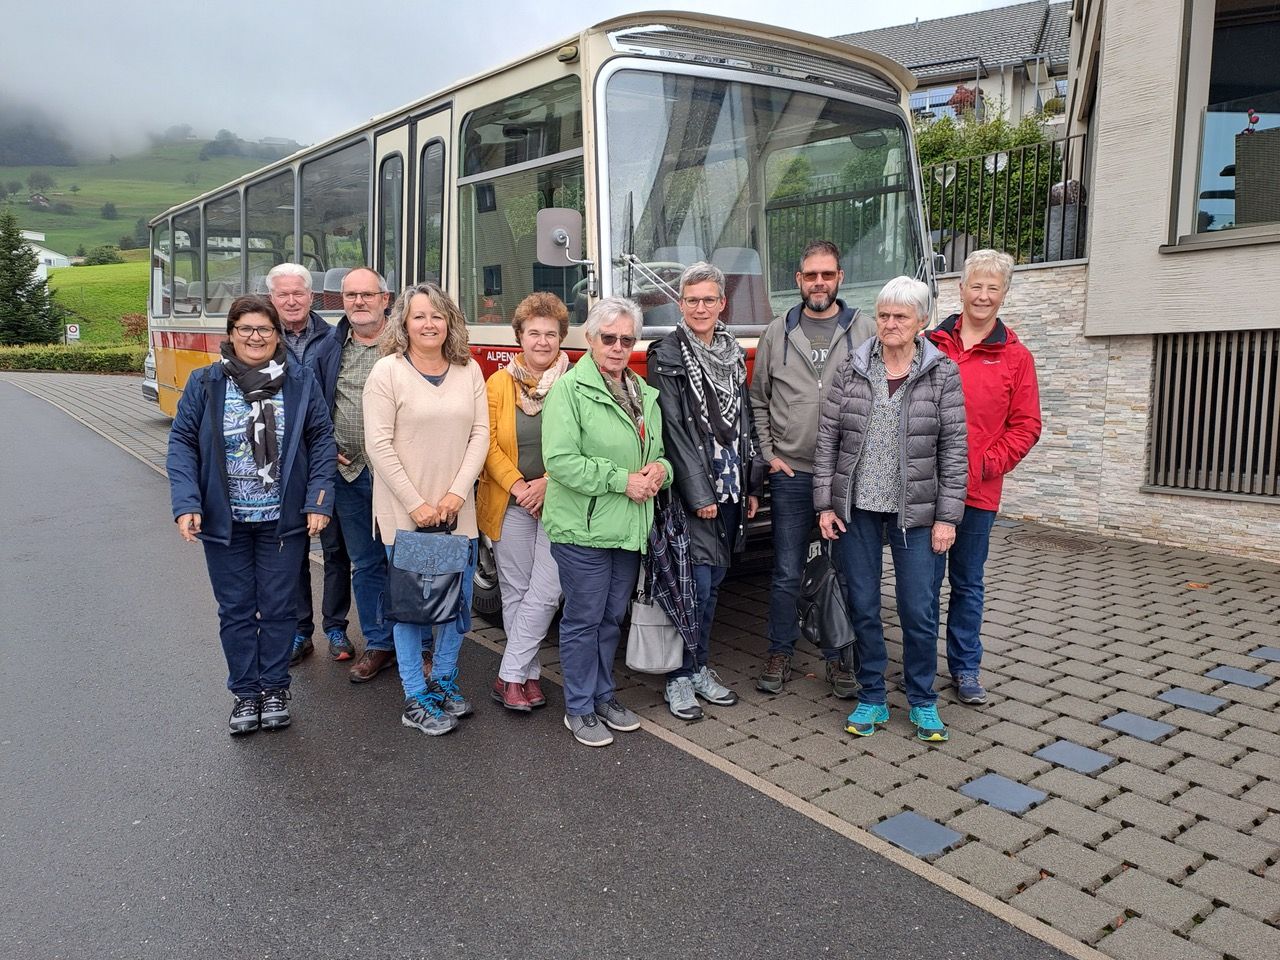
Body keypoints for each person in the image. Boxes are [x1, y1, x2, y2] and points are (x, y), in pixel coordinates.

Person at [167, 295, 336, 735]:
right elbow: (182, 443)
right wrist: (187, 502)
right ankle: (245, 693)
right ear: (231, 334)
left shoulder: (299, 381)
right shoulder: (206, 382)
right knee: (236, 610)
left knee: (279, 608)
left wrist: (318, 500)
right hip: (225, 522)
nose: (255, 337)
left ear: (277, 336)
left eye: (264, 329)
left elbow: (321, 440)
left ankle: (275, 688)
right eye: (245, 329)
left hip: (282, 520)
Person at [814, 276, 967, 743]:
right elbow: (828, 439)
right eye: (883, 315)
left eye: (901, 316)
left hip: (916, 513)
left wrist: (947, 518)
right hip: (857, 509)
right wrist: (825, 503)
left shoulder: (942, 373)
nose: (890, 324)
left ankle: (922, 700)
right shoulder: (853, 367)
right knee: (863, 604)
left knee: (918, 609)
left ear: (922, 321)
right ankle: (872, 695)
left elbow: (954, 450)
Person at [541, 297, 671, 747]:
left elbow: (658, 453)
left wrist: (661, 471)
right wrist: (622, 481)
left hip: (628, 528)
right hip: (584, 530)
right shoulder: (569, 391)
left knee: (612, 618)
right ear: (590, 339)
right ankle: (579, 707)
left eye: (627, 340)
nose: (618, 347)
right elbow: (560, 462)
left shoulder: (642, 392)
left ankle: (603, 695)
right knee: (584, 620)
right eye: (609, 338)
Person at [749, 239, 874, 697]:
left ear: (840, 277)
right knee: (786, 570)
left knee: (840, 570)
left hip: (845, 476)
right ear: (799, 280)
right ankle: (779, 651)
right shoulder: (776, 332)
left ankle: (838, 657)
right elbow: (759, 399)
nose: (819, 283)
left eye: (827, 274)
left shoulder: (865, 330)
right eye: (811, 275)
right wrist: (769, 453)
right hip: (793, 473)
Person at [363, 282, 488, 737]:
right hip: (405, 516)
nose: (429, 324)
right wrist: (416, 503)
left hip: (458, 515)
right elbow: (377, 444)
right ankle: (415, 696)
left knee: (456, 605)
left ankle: (444, 682)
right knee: (411, 609)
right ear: (404, 322)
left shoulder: (468, 370)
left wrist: (457, 494)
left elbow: (480, 434)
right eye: (419, 316)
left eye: (437, 316)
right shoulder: (387, 372)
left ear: (449, 322)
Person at [928, 249, 1041, 705]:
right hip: (926, 487)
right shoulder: (931, 344)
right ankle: (920, 666)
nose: (983, 295)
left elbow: (1026, 426)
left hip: (977, 491)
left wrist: (985, 464)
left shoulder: (1015, 357)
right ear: (961, 289)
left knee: (967, 583)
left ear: (1004, 294)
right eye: (976, 285)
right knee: (922, 585)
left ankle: (965, 668)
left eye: (993, 288)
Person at [648, 262, 759, 721]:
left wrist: (752, 483)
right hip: (694, 492)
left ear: (722, 303)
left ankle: (697, 667)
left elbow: (746, 420)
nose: (700, 308)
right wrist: (698, 494)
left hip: (730, 486)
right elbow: (672, 429)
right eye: (691, 300)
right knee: (689, 585)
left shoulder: (732, 353)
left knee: (712, 586)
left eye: (708, 299)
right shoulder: (667, 354)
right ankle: (677, 677)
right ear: (680, 304)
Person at [476, 293, 571, 712]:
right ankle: (527, 676)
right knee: (515, 590)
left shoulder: (574, 382)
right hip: (510, 501)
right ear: (519, 336)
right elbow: (487, 443)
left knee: (547, 591)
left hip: (559, 501)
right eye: (534, 333)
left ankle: (508, 675)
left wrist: (547, 483)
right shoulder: (498, 383)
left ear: (561, 337)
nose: (542, 341)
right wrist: (519, 486)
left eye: (551, 333)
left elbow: (581, 442)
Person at [317, 266, 399, 684]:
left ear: (385, 299)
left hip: (399, 477)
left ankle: (418, 644)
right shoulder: (329, 349)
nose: (359, 302)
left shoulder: (404, 344)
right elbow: (316, 405)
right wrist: (325, 446)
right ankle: (379, 644)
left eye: (367, 294)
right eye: (351, 295)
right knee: (365, 564)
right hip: (349, 474)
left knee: (405, 561)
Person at [266, 263, 351, 663]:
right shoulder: (262, 338)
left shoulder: (334, 337)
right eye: (283, 294)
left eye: (298, 293)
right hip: (281, 463)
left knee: (335, 549)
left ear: (311, 296)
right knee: (292, 549)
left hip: (324, 457)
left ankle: (336, 628)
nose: (291, 301)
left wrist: (327, 445)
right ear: (272, 299)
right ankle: (301, 630)